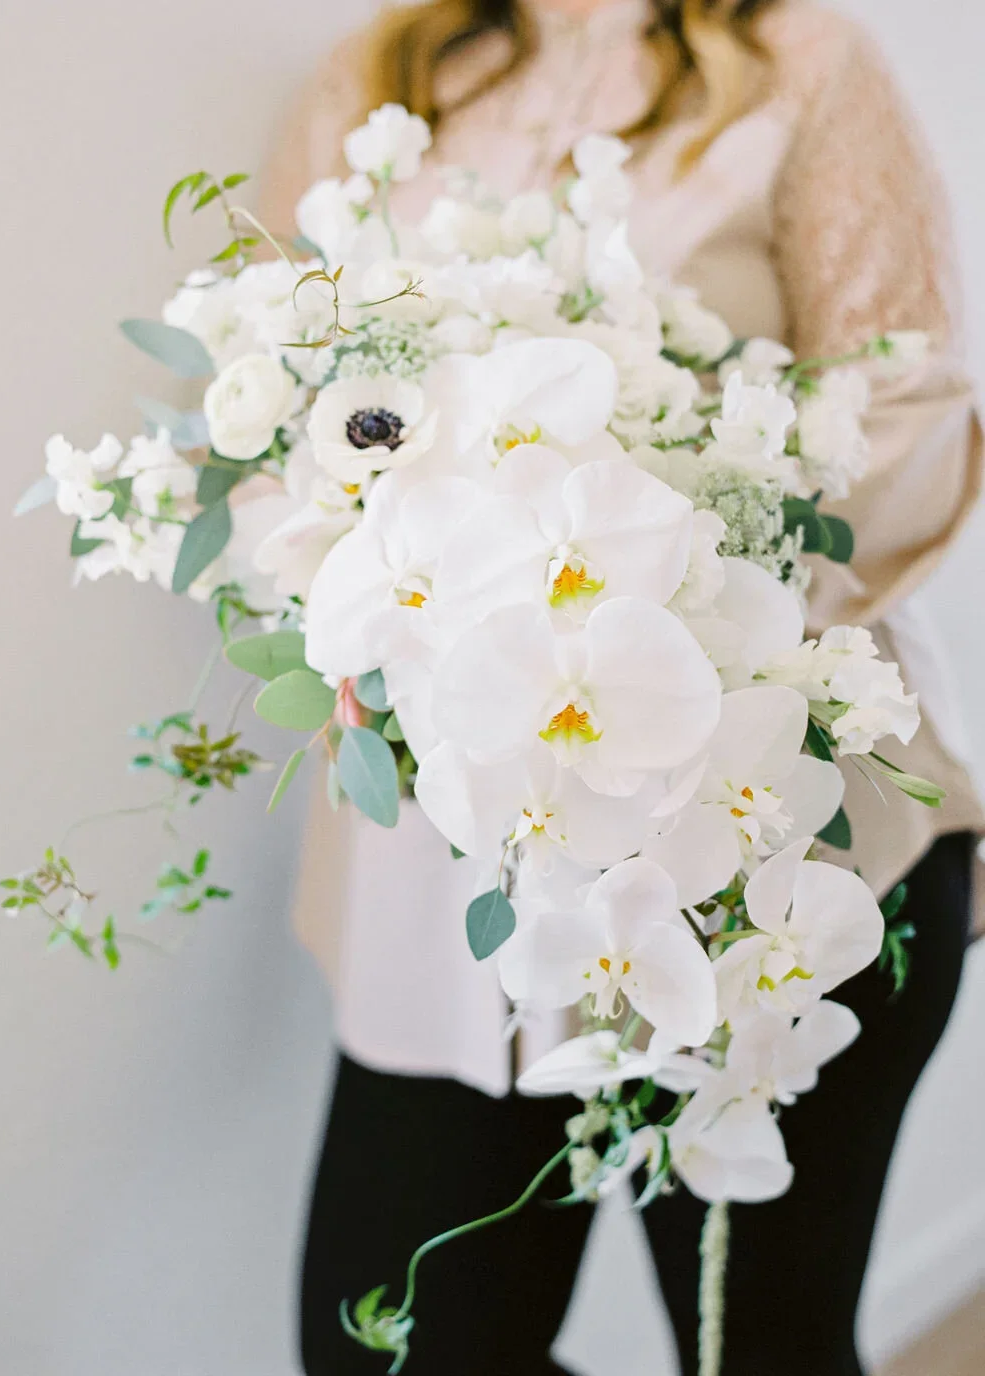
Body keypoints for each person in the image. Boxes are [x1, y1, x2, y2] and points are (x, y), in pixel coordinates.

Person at [260, 2, 985, 1372]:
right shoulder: (379, 73)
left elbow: (908, 406)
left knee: (757, 1344)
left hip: (772, 846)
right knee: (389, 1349)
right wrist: (357, 618)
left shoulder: (799, 62)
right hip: (446, 880)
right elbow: (277, 418)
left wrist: (661, 611)